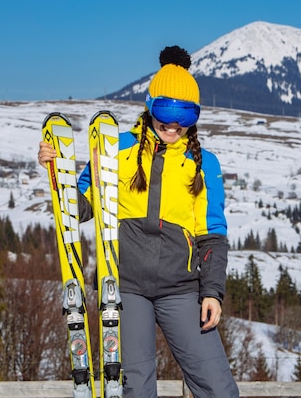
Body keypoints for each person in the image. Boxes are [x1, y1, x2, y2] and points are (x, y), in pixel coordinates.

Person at [38, 45, 239, 398]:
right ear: (149, 105)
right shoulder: (116, 149)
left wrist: (213, 293)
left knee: (218, 386)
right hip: (125, 288)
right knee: (135, 388)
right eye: (166, 110)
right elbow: (81, 207)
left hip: (182, 289)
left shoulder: (204, 164)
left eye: (185, 115)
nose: (173, 124)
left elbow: (212, 236)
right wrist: (58, 169)